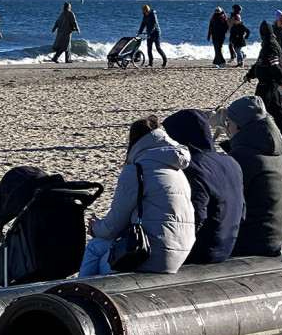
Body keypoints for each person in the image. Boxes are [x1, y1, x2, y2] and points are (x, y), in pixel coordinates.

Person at [79, 115, 195, 276]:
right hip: (180, 252)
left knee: (95, 249)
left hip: (148, 254)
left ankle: (77, 295)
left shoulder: (137, 170)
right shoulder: (177, 168)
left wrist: (95, 228)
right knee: (99, 246)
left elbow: (114, 225)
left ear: (135, 142)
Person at [162, 109, 245, 264]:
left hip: (202, 251)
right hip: (228, 246)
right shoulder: (230, 161)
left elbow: (196, 216)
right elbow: (242, 212)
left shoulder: (193, 167)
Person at [223, 96, 282, 257]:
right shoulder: (281, 153)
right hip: (278, 240)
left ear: (240, 126)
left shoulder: (244, 155)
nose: (227, 129)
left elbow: (228, 205)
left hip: (251, 243)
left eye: (229, 123)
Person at [246, 21, 282, 140]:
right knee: (276, 109)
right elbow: (259, 62)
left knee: (258, 108)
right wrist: (250, 75)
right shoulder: (266, 44)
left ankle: (257, 134)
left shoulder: (271, 45)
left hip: (268, 83)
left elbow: (275, 65)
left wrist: (280, 81)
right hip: (267, 82)